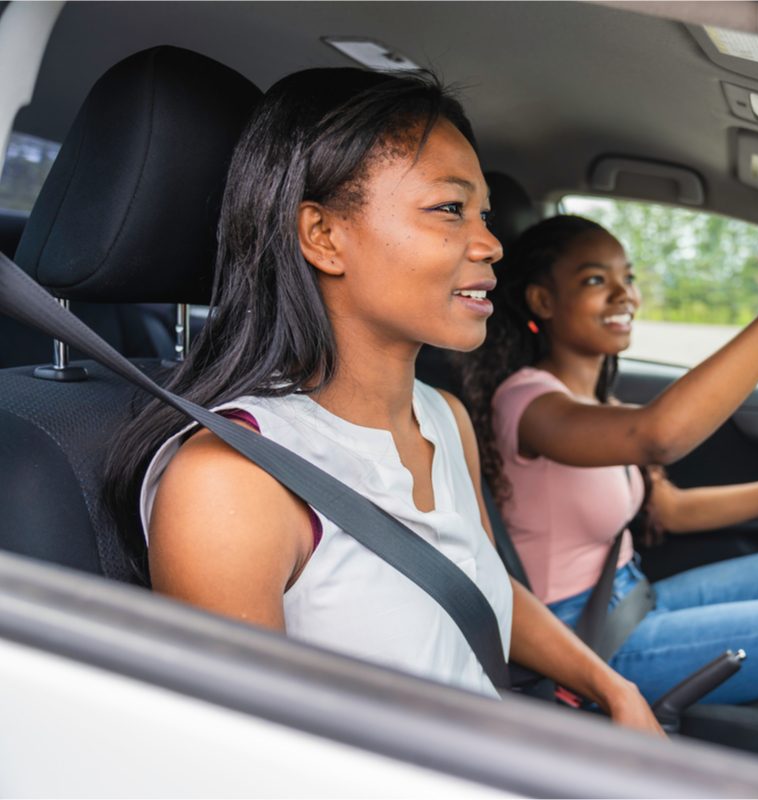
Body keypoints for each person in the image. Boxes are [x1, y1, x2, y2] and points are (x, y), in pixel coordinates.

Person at [105, 67, 661, 735]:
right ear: (323, 236)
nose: (490, 244)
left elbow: (480, 582)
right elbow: (242, 762)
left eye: (482, 214)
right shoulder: (233, 482)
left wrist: (614, 688)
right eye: (450, 209)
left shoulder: (445, 419)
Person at [459, 168, 758, 736]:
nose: (626, 295)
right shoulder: (528, 405)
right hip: (582, 643)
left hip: (632, 600)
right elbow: (659, 433)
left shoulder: (595, 401)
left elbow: (669, 510)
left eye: (629, 276)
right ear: (543, 300)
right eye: (597, 281)